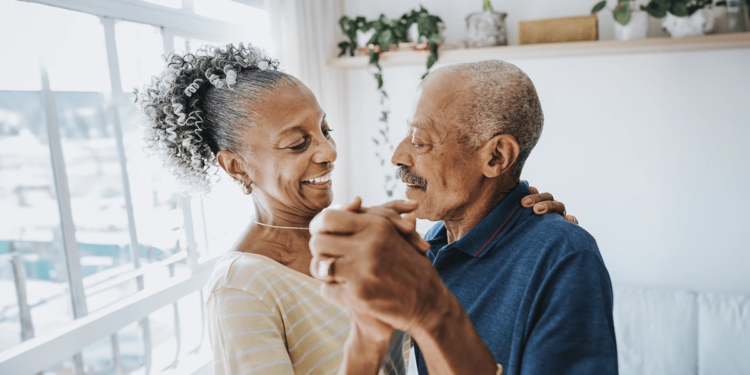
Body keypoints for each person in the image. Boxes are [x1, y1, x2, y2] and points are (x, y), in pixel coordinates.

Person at [135, 44, 573, 374]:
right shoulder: (242, 288)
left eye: (324, 129)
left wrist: (524, 225)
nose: (328, 152)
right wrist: (367, 343)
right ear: (236, 166)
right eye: (298, 143)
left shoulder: (361, 235)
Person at [308, 60, 618, 375]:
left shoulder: (563, 255)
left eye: (420, 141)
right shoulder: (430, 244)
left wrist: (433, 312)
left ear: (496, 156)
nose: (398, 156)